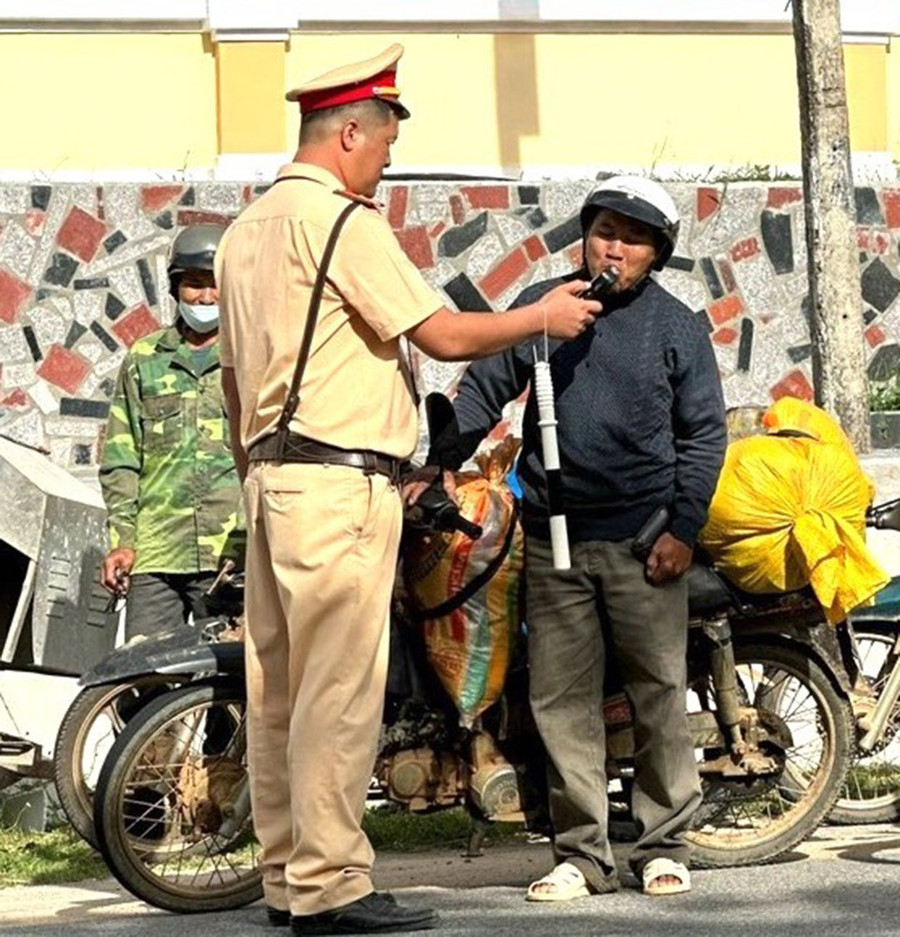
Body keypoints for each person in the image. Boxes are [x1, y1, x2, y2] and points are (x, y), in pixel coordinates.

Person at [215, 43, 602, 936]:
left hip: (271, 482)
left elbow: (234, 383)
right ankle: (330, 887)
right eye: (386, 139)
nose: (388, 159)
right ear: (350, 132)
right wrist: (542, 315)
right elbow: (444, 335)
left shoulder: (245, 231)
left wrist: (258, 475)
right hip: (339, 487)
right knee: (338, 693)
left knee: (278, 693)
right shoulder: (340, 223)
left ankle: (286, 878)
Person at [419, 176, 728, 900]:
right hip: (553, 537)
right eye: (604, 232)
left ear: (656, 254)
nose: (614, 249)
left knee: (657, 693)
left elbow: (704, 435)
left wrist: (682, 528)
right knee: (561, 700)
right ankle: (582, 854)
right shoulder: (546, 309)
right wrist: (440, 460)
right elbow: (482, 389)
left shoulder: (675, 327)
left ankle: (662, 844)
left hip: (644, 543)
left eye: (633, 238)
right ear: (584, 237)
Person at [99, 224, 243, 639]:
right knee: (147, 669)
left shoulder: (251, 356)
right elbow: (121, 460)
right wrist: (123, 540)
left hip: (230, 554)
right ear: (175, 288)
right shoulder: (144, 358)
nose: (206, 297)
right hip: (157, 555)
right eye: (194, 284)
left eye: (216, 285)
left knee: (231, 670)